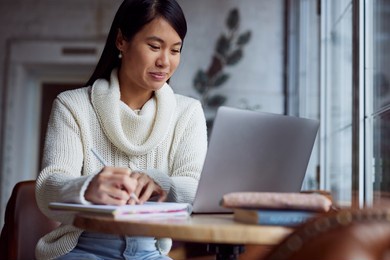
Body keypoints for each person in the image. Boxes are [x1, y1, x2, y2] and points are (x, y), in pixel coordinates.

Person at [35, 0, 208, 259]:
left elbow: (199, 191)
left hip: (150, 250)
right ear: (121, 41)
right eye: (154, 46)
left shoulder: (188, 112)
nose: (165, 61)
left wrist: (160, 182)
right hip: (82, 247)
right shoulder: (73, 105)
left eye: (175, 50)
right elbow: (48, 187)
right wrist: (88, 188)